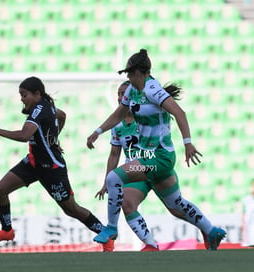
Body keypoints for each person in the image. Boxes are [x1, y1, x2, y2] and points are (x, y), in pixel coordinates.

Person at [87, 49, 226, 250]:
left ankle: (111, 228)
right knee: (176, 206)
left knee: (113, 178)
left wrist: (188, 143)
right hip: (148, 158)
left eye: (129, 73)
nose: (127, 77)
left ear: (139, 72)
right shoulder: (132, 90)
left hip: (158, 157)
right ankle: (212, 231)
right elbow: (119, 114)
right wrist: (97, 131)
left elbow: (179, 112)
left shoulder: (153, 89)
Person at [0, 76, 114, 251]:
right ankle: (7, 231)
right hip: (33, 162)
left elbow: (24, 135)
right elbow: (62, 115)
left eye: (24, 95)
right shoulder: (46, 105)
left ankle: (106, 235)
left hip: (52, 168)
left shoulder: (38, 109)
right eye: (20, 95)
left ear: (37, 94)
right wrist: (54, 137)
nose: (21, 99)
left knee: (72, 209)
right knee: (0, 190)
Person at [95, 80, 187, 251]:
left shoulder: (146, 117)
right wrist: (106, 182)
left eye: (124, 93)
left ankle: (208, 229)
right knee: (127, 204)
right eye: (119, 94)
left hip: (155, 166)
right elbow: (114, 154)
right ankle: (151, 244)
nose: (121, 97)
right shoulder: (117, 126)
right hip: (135, 172)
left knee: (176, 209)